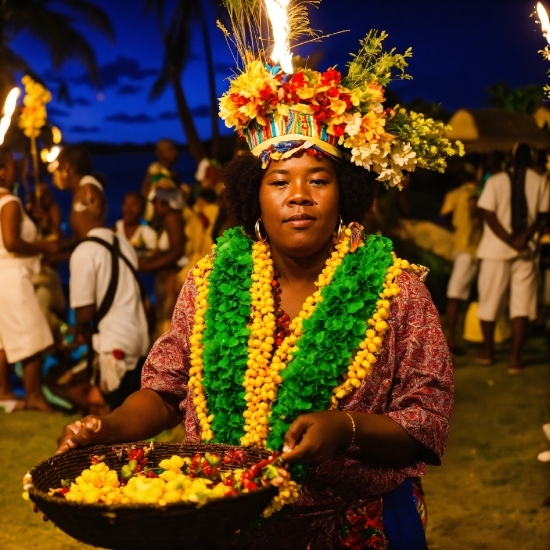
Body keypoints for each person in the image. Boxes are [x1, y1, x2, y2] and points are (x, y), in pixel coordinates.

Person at [56, 9, 461, 549]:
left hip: (356, 526)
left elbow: (426, 417)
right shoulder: (209, 283)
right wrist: (106, 429)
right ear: (255, 195)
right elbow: (164, 391)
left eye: (318, 179)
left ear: (345, 192)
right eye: (279, 182)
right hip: (227, 524)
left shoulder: (398, 289)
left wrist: (348, 427)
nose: (299, 196)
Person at [68, 188, 150, 415]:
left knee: (100, 411)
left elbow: (84, 313)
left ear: (77, 213)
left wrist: (78, 330)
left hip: (113, 348)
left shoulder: (85, 251)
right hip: (138, 342)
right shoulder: (122, 242)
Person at [476, 143, 549, 373]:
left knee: (489, 303)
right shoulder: (540, 181)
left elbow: (488, 213)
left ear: (511, 157)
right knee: (522, 307)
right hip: (524, 250)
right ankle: (515, 360)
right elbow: (544, 216)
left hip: (496, 251)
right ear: (532, 159)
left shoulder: (496, 180)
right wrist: (524, 237)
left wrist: (509, 239)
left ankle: (488, 352)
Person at [0, 146, 58, 411]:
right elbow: (11, 242)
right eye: (12, 165)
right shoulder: (9, 202)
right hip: (13, 277)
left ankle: (4, 392)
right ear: (2, 173)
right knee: (33, 337)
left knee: (4, 340)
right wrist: (44, 247)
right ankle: (33, 395)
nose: (17, 169)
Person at [440, 162, 483, 354]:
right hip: (472, 250)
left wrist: (459, 225)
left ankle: (458, 336)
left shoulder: (454, 194)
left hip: (459, 246)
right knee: (456, 295)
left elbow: (445, 214)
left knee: (459, 296)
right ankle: (450, 340)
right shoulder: (476, 194)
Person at [138, 182, 185, 336]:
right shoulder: (166, 219)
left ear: (165, 203)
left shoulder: (172, 217)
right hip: (165, 277)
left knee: (168, 323)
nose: (153, 206)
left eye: (155, 203)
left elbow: (176, 253)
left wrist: (147, 267)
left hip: (174, 278)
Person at [114, 191, 158, 256]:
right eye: (125, 204)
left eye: (133, 205)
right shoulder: (115, 229)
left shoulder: (148, 233)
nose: (127, 208)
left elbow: (152, 255)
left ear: (142, 209)